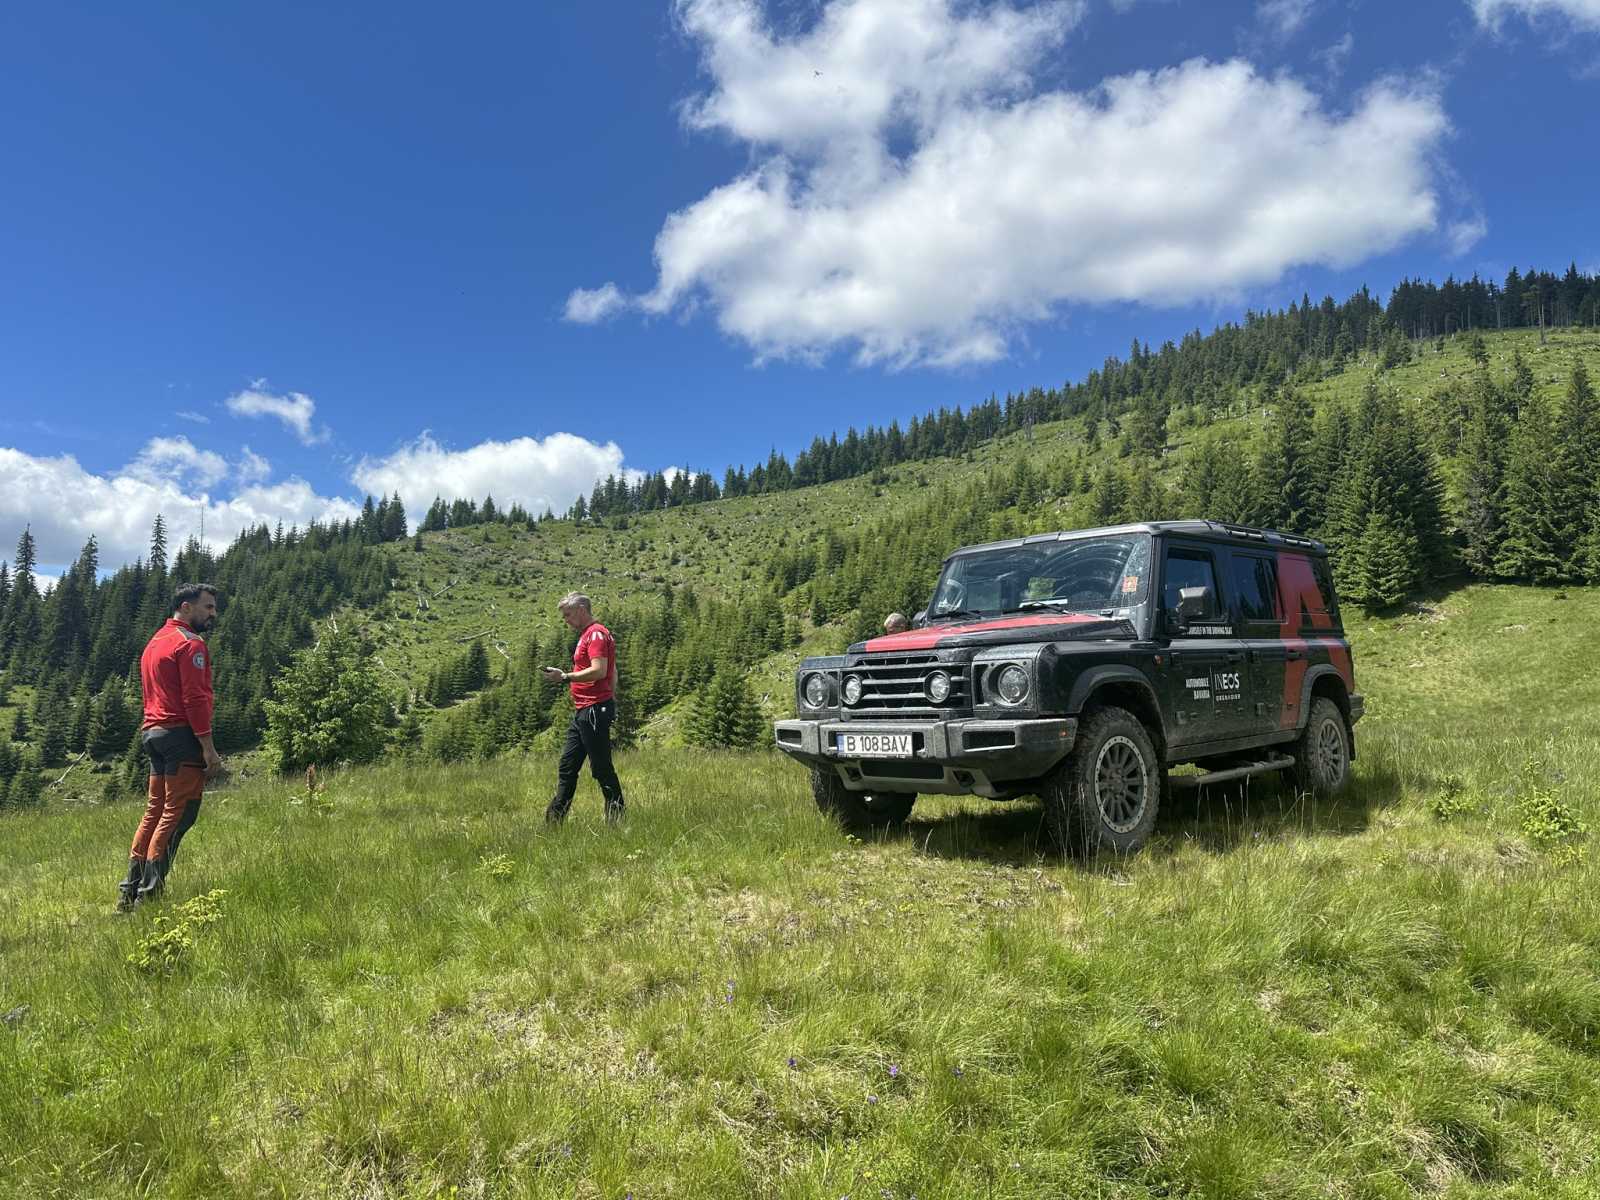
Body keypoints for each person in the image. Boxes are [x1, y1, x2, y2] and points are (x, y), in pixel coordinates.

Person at [116, 583, 226, 910]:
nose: (213, 614)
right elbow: (195, 699)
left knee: (154, 812)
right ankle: (148, 898)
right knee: (177, 814)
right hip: (180, 736)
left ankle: (128, 893)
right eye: (208, 607)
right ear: (186, 607)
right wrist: (207, 747)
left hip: (153, 734)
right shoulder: (190, 644)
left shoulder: (153, 643)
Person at [541, 592, 625, 824]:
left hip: (595, 709)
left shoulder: (596, 634)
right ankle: (553, 823)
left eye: (568, 614)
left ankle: (616, 821)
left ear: (581, 610)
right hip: (586, 711)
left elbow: (600, 670)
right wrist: (611, 699)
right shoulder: (588, 635)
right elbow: (613, 672)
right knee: (567, 766)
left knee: (601, 768)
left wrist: (565, 677)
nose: (565, 619)